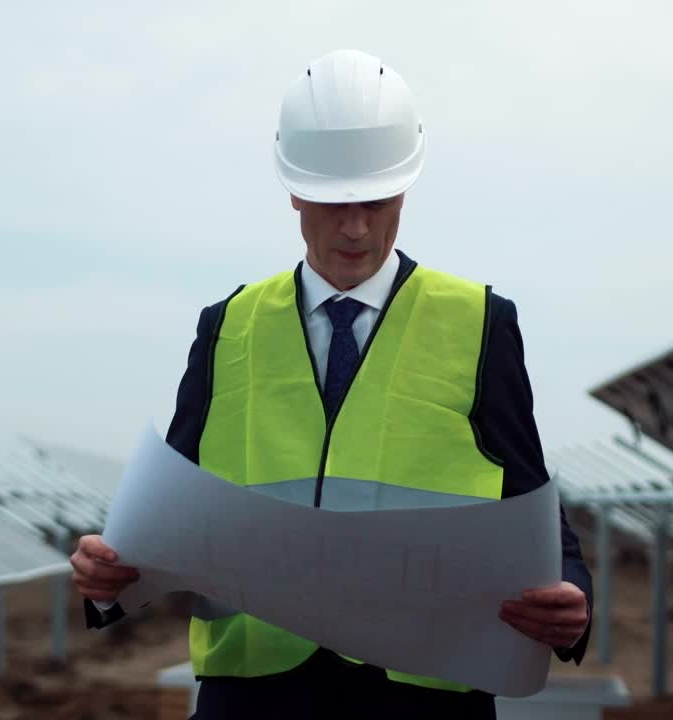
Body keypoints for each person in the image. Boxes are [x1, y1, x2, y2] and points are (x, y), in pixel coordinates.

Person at [71, 49, 592, 720]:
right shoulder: (228, 327)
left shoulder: (480, 323)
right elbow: (165, 516)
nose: (355, 228)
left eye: (377, 202)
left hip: (421, 695)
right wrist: (107, 576)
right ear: (293, 189)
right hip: (255, 696)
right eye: (332, 203)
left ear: (406, 188)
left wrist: (572, 591)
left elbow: (529, 498)